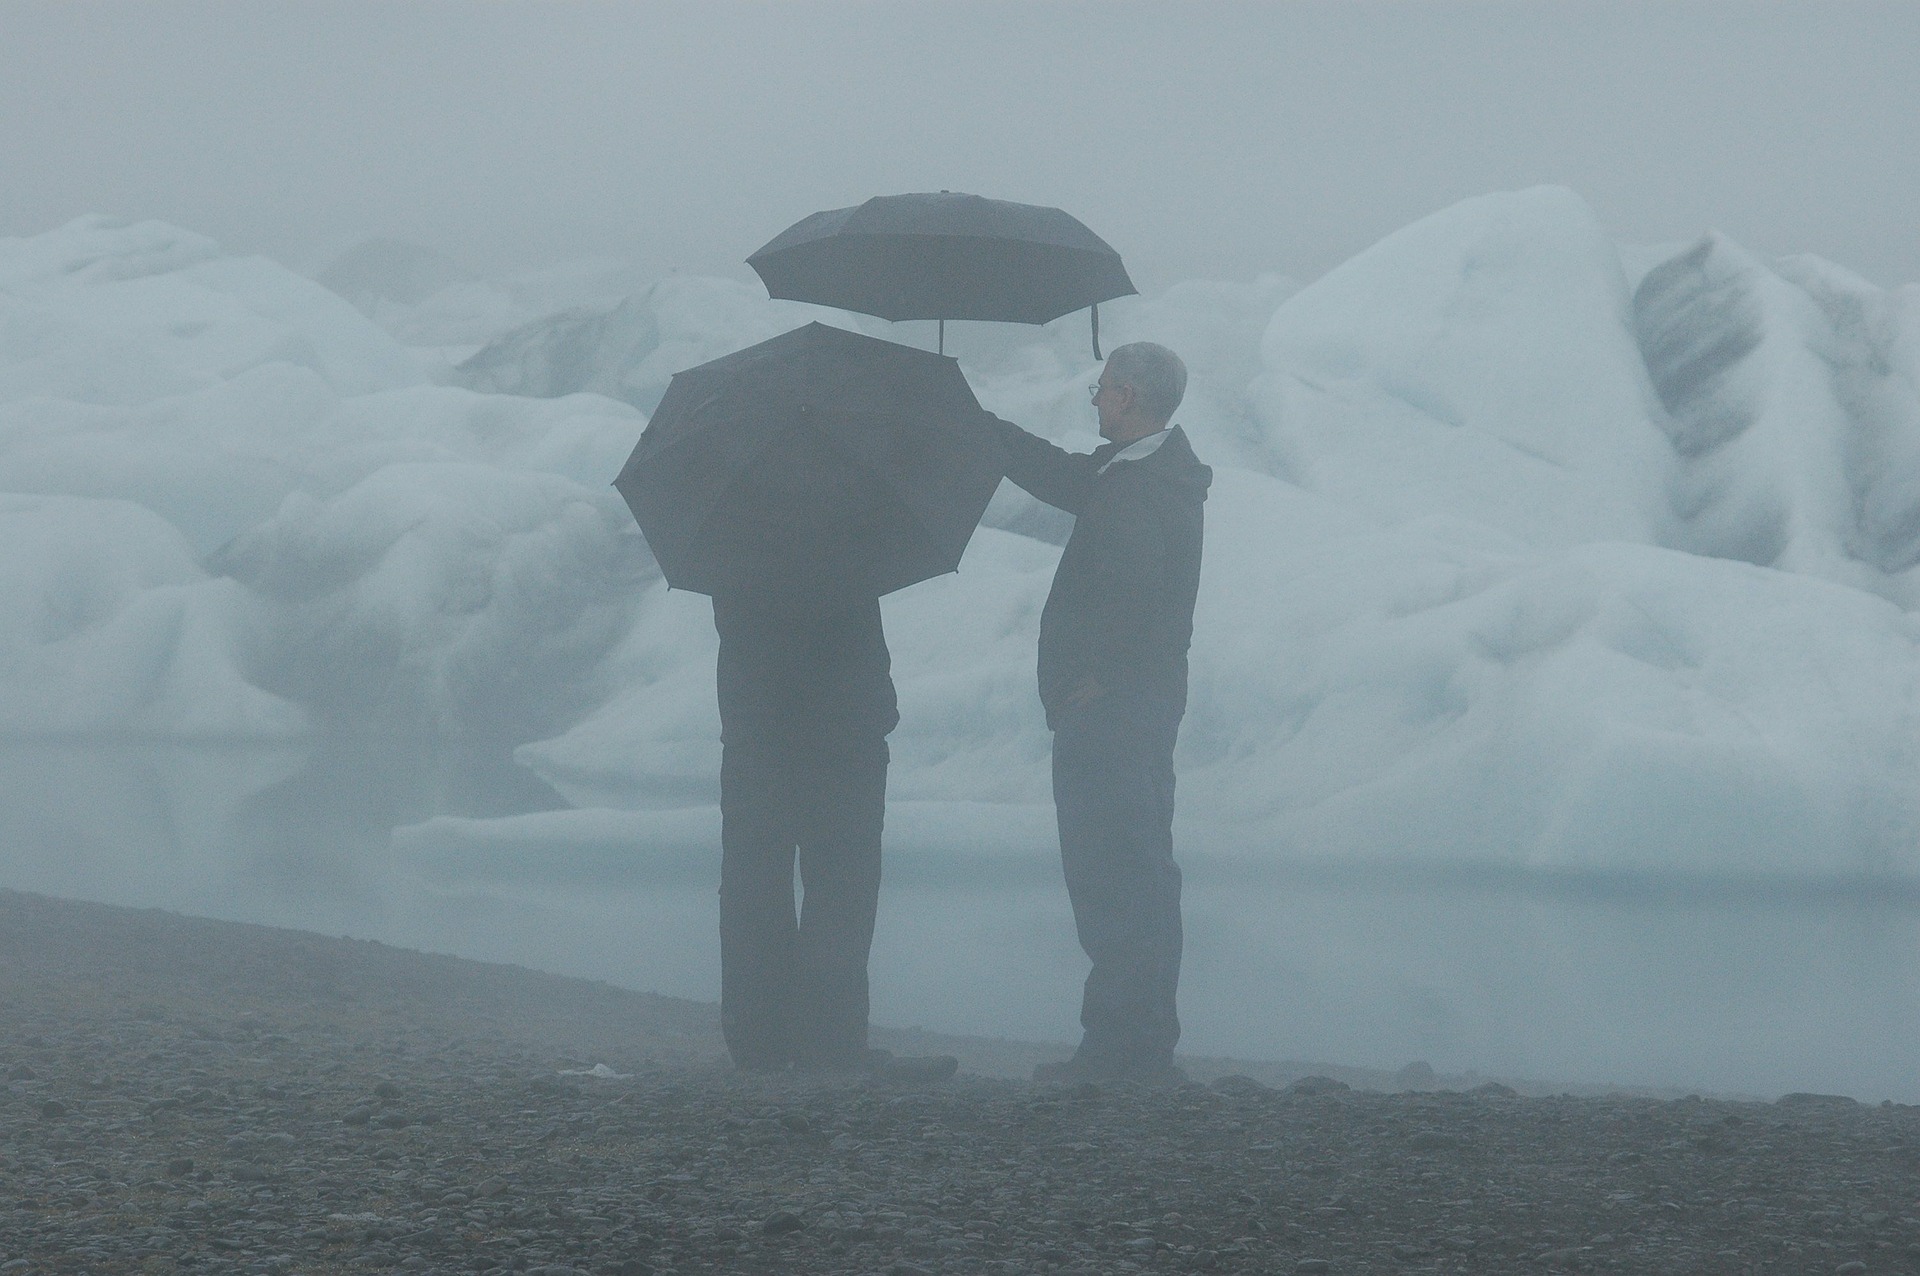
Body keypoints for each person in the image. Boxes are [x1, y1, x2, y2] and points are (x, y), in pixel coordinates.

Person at [983, 342, 1212, 1084]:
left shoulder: (1142, 487)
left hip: (1116, 711)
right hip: (1135, 704)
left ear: (1128, 397)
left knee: (1114, 868)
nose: (1094, 399)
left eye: (1103, 388)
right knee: (1136, 867)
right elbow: (1064, 475)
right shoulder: (1142, 474)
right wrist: (978, 426)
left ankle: (1122, 1049)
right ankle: (1135, 1042)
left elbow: (1137, 593)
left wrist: (1097, 678)